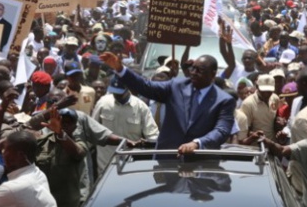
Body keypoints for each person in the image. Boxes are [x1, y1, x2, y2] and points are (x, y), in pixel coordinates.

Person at [100, 52, 235, 154]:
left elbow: (221, 130)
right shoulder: (176, 86)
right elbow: (145, 86)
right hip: (167, 160)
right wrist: (120, 69)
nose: (193, 73)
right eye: (193, 68)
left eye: (200, 70)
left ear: (213, 74)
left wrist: (198, 143)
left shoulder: (224, 100)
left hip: (201, 165)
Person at [92, 76, 159, 173]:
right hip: (105, 163)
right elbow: (94, 129)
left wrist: (146, 144)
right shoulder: (103, 103)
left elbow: (152, 135)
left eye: (119, 92)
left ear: (127, 89)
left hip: (131, 164)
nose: (116, 94)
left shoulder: (140, 107)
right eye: (114, 91)